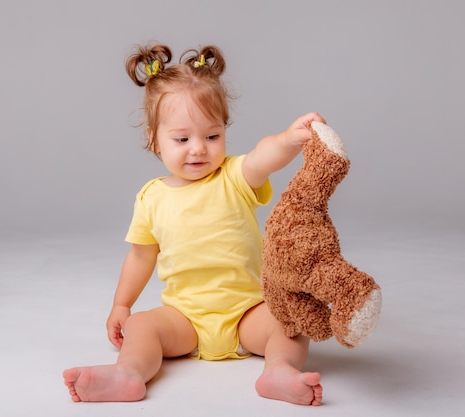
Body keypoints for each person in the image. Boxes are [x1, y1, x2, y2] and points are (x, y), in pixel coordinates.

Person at [63, 43, 326, 406]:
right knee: (142, 325)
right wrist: (121, 305)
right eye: (182, 139)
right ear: (154, 139)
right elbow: (141, 257)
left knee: (291, 321)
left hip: (248, 311)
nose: (199, 149)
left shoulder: (234, 176)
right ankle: (129, 374)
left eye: (212, 136)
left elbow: (264, 158)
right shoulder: (151, 197)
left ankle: (278, 371)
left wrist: (288, 139)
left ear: (223, 132)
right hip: (183, 317)